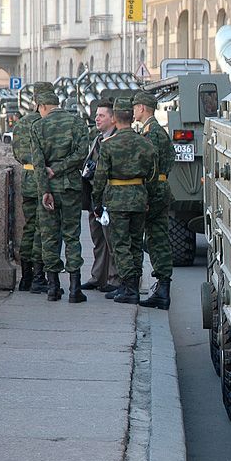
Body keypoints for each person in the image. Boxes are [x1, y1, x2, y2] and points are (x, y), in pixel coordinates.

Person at [91, 98, 156, 305]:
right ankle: (132, 286)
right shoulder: (145, 143)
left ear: (116, 119)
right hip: (139, 197)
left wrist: (96, 203)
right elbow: (153, 174)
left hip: (117, 200)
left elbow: (100, 177)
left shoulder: (109, 145)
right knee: (136, 245)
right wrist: (147, 196)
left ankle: (129, 286)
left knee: (120, 245)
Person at [30, 87, 90, 302]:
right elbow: (83, 153)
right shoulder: (77, 123)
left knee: (49, 236)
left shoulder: (38, 127)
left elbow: (38, 163)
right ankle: (75, 289)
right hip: (71, 187)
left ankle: (53, 288)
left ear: (43, 106)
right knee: (72, 235)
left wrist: (45, 189)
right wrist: (62, 167)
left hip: (49, 189)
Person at [132, 91, 175, 310]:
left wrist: (146, 194)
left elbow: (150, 165)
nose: (133, 111)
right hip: (161, 186)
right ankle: (162, 289)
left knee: (156, 239)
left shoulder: (151, 133)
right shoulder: (157, 131)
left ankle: (162, 290)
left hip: (154, 189)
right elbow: (171, 157)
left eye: (135, 107)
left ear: (142, 108)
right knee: (158, 237)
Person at [12, 82, 53, 293]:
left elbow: (17, 154)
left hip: (27, 178)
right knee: (42, 229)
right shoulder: (46, 123)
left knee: (29, 227)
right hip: (44, 178)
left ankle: (25, 277)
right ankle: (39, 276)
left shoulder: (20, 124)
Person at [80, 99, 122, 293]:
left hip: (109, 198)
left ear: (113, 119)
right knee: (98, 240)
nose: (96, 118)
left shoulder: (117, 139)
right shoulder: (98, 138)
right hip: (95, 198)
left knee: (112, 240)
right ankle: (98, 277)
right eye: (96, 115)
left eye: (101, 115)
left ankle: (114, 279)